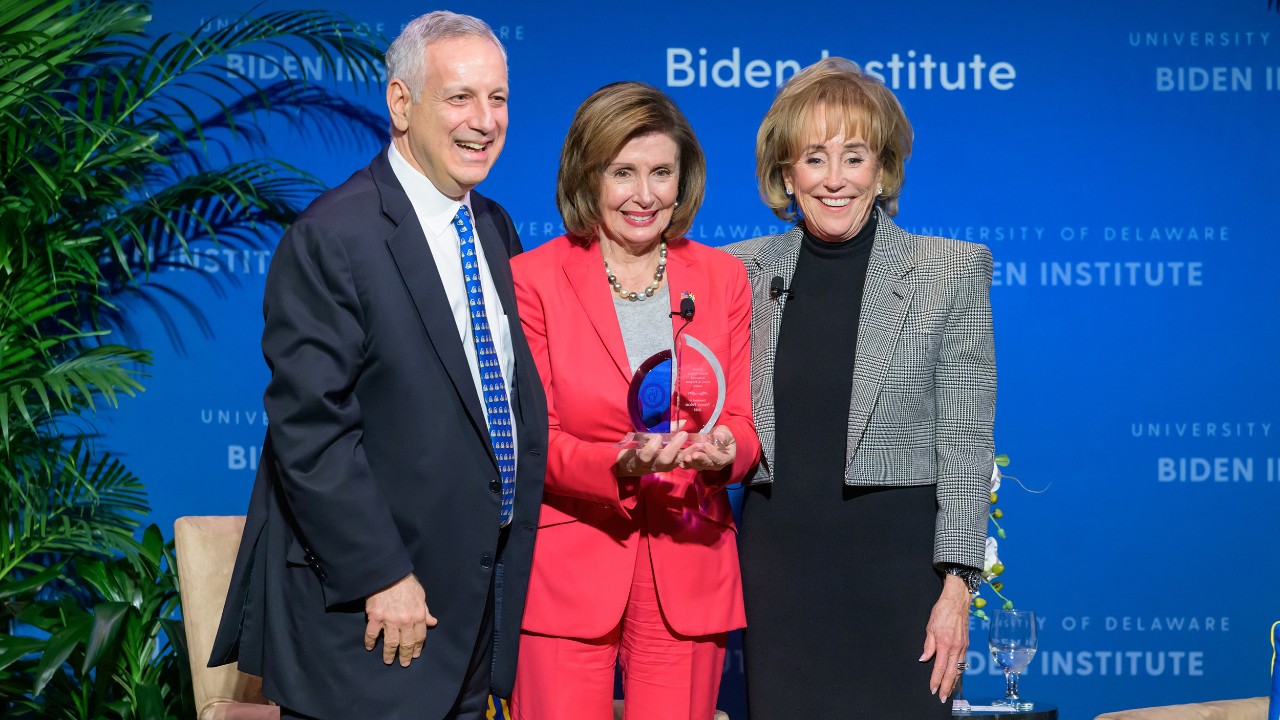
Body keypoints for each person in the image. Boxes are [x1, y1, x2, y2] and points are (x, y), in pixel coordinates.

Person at [208, 12, 547, 720]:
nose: (484, 121)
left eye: (498, 98)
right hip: (375, 621)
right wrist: (383, 575)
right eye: (460, 98)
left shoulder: (495, 227)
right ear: (401, 103)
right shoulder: (333, 236)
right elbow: (310, 430)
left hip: (471, 625)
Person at [724, 57, 995, 718]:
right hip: (779, 577)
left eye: (855, 156)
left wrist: (957, 589)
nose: (835, 178)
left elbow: (964, 443)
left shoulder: (949, 270)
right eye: (814, 158)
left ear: (883, 168)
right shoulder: (738, 271)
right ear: (787, 173)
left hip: (898, 581)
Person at [508, 82, 761, 720]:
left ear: (685, 180)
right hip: (568, 570)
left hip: (688, 556)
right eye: (622, 173)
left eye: (661, 173)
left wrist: (725, 451)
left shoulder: (724, 278)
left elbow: (741, 423)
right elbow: (535, 441)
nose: (644, 196)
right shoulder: (533, 279)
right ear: (586, 176)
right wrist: (619, 464)